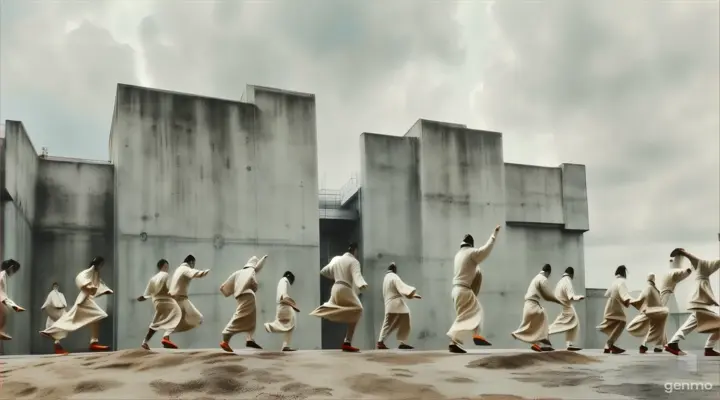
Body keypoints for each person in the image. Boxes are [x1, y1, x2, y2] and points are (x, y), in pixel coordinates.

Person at [40, 257, 113, 354]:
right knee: (70, 319)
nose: (101, 266)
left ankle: (94, 342)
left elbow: (99, 285)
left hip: (87, 300)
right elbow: (80, 278)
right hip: (83, 301)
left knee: (98, 316)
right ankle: (50, 331)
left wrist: (105, 290)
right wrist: (87, 286)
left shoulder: (95, 273)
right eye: (100, 264)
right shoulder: (89, 271)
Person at [447, 225, 501, 354]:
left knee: (463, 317)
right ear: (471, 244)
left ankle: (454, 343)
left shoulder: (458, 255)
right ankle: (475, 335)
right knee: (478, 311)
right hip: (464, 290)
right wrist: (493, 235)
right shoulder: (471, 253)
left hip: (455, 291)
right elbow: (485, 251)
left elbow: (473, 271)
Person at [310, 242, 368, 352]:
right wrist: (362, 284)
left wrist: (337, 275)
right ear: (355, 250)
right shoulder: (354, 261)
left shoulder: (336, 259)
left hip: (335, 288)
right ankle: (347, 341)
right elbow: (357, 276)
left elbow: (324, 271)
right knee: (358, 310)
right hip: (345, 289)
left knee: (331, 306)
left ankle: (322, 310)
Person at [665, 248, 720, 356]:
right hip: (699, 301)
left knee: (697, 321)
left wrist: (683, 252)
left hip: (699, 302)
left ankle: (708, 348)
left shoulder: (703, 272)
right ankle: (673, 343)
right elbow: (691, 257)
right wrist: (683, 252)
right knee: (696, 321)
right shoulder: (702, 266)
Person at [219, 255, 268, 352]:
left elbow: (224, 286)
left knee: (251, 318)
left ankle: (249, 338)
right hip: (248, 296)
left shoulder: (238, 273)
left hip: (239, 297)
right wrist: (255, 288)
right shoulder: (251, 271)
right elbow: (254, 284)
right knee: (240, 317)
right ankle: (226, 337)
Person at [512, 264, 562, 352]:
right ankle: (544, 341)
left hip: (527, 305)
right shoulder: (543, 279)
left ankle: (538, 343)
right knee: (543, 316)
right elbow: (547, 295)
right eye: (549, 275)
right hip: (533, 305)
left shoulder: (536, 278)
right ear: (548, 272)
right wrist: (558, 301)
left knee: (533, 324)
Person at [137, 259, 182, 350]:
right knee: (177, 314)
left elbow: (147, 293)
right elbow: (170, 289)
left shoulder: (153, 278)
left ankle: (145, 342)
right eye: (167, 266)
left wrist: (143, 298)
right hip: (167, 301)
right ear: (165, 266)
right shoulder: (166, 275)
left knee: (155, 323)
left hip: (157, 303)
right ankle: (166, 337)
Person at [377, 262, 422, 350]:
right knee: (405, 316)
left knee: (389, 323)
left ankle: (380, 341)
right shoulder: (394, 277)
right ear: (394, 269)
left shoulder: (385, 278)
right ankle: (402, 342)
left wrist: (412, 295)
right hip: (397, 303)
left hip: (389, 304)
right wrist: (412, 292)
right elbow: (402, 287)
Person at [654, 254, 693, 352]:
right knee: (662, 321)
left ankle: (660, 344)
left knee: (661, 322)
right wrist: (691, 267)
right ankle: (659, 345)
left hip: (664, 296)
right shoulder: (674, 271)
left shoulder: (668, 271)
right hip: (667, 296)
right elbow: (685, 272)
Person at [626, 273, 669, 353]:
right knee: (658, 327)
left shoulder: (652, 288)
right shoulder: (649, 288)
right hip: (653, 312)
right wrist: (631, 301)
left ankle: (658, 346)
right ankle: (645, 345)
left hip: (655, 312)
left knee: (660, 327)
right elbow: (640, 300)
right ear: (653, 279)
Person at [168, 255, 210, 335]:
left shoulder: (178, 269)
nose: (194, 266)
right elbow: (193, 273)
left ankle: (167, 334)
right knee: (198, 319)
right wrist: (205, 272)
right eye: (194, 264)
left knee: (178, 319)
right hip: (180, 299)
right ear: (191, 262)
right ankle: (168, 333)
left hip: (175, 298)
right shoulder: (185, 269)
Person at [596, 265, 633, 354]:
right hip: (616, 307)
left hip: (610, 305)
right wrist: (627, 302)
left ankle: (608, 345)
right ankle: (609, 344)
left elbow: (607, 293)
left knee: (616, 322)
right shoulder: (622, 282)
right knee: (622, 322)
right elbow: (624, 294)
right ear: (624, 273)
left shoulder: (614, 282)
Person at [548, 266, 585, 351]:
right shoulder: (567, 281)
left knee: (573, 324)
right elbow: (571, 297)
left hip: (564, 305)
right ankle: (543, 335)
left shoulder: (560, 281)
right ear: (572, 274)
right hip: (567, 306)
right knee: (559, 325)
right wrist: (579, 297)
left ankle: (570, 343)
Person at [264, 271, 301, 351]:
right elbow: (283, 295)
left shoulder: (282, 281)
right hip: (285, 306)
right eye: (292, 281)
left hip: (282, 306)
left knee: (288, 325)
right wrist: (293, 305)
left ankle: (285, 345)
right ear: (289, 278)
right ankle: (270, 326)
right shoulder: (284, 280)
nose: (291, 283)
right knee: (290, 324)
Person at [0, 259, 26, 341]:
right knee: (4, 311)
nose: (13, 273)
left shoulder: (4, 276)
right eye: (14, 271)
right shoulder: (2, 274)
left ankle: (0, 331)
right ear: (10, 268)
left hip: (2, 297)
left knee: (4, 313)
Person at [40, 282, 67, 349]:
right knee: (52, 324)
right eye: (55, 286)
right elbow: (48, 301)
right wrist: (43, 307)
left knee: (62, 326)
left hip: (61, 311)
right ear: (53, 287)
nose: (56, 287)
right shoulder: (51, 294)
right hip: (54, 311)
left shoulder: (61, 294)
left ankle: (57, 341)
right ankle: (47, 332)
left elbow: (64, 302)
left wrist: (65, 308)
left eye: (56, 286)